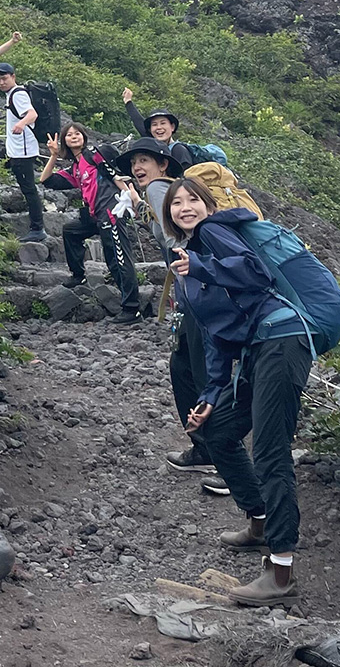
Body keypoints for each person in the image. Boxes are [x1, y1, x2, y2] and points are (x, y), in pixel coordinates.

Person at [163, 178, 314, 606]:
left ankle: (281, 573)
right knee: (219, 432)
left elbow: (255, 273)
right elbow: (217, 333)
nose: (185, 207)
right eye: (177, 202)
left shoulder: (212, 234)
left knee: (270, 450)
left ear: (209, 205)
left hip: (282, 339)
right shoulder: (188, 256)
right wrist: (211, 395)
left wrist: (203, 268)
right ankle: (261, 521)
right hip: (256, 348)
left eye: (193, 199)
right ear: (167, 213)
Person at [112, 138, 226, 491]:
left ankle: (226, 459)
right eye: (133, 163)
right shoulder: (152, 192)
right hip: (191, 296)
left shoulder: (162, 189)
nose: (136, 167)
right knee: (183, 369)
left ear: (163, 165)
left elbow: (174, 241)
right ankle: (206, 449)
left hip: (203, 297)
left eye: (143, 160)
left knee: (202, 374)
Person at [39, 123, 141, 325]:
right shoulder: (76, 168)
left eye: (77, 133)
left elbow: (114, 175)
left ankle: (132, 309)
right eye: (69, 134)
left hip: (112, 211)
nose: (74, 136)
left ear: (84, 137)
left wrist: (134, 201)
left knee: (117, 259)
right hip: (95, 215)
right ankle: (78, 275)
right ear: (65, 141)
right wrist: (53, 155)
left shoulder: (94, 154)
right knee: (71, 231)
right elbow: (46, 180)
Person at [0, 62, 46, 242]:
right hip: (13, 149)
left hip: (22, 151)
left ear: (13, 77)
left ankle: (38, 229)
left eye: (4, 78)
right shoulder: (12, 94)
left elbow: (32, 114)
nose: (1, 82)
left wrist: (21, 124)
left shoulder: (18, 94)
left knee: (28, 188)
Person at [121, 88, 192, 167]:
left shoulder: (179, 150)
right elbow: (138, 122)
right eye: (154, 124)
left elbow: (187, 177)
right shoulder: (155, 147)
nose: (159, 127)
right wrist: (128, 101)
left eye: (163, 123)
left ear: (172, 127)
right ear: (150, 130)